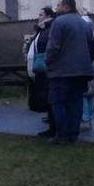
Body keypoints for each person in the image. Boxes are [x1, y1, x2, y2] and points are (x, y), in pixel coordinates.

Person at [43, 0, 94, 145]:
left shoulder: (59, 22)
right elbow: (92, 48)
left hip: (61, 71)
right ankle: (74, 135)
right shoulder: (85, 24)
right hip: (81, 71)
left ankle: (62, 135)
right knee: (76, 103)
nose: (56, 8)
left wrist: (47, 61)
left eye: (58, 5)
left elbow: (53, 46)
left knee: (58, 102)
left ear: (66, 6)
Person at [29, 7, 57, 137]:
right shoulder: (42, 30)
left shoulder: (49, 30)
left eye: (41, 15)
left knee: (50, 98)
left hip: (46, 68)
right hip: (41, 67)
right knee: (46, 98)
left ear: (48, 16)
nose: (38, 17)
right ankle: (52, 126)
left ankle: (54, 128)